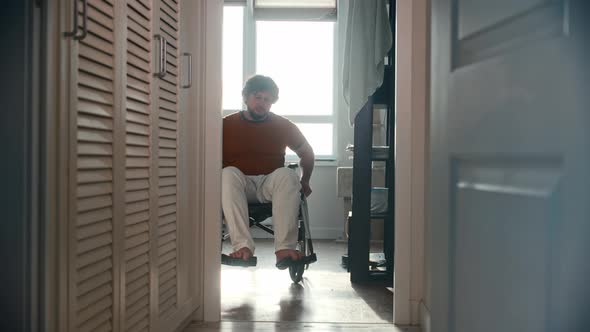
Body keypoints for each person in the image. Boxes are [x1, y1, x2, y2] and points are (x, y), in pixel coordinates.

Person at [222, 75, 315, 268]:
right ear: (246, 98)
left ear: (272, 102)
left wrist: (305, 181)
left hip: (269, 183)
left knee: (288, 175)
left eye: (267, 99)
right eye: (257, 97)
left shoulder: (283, 125)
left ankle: (284, 250)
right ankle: (243, 247)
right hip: (239, 183)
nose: (262, 103)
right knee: (228, 173)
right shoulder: (226, 125)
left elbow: (306, 153)